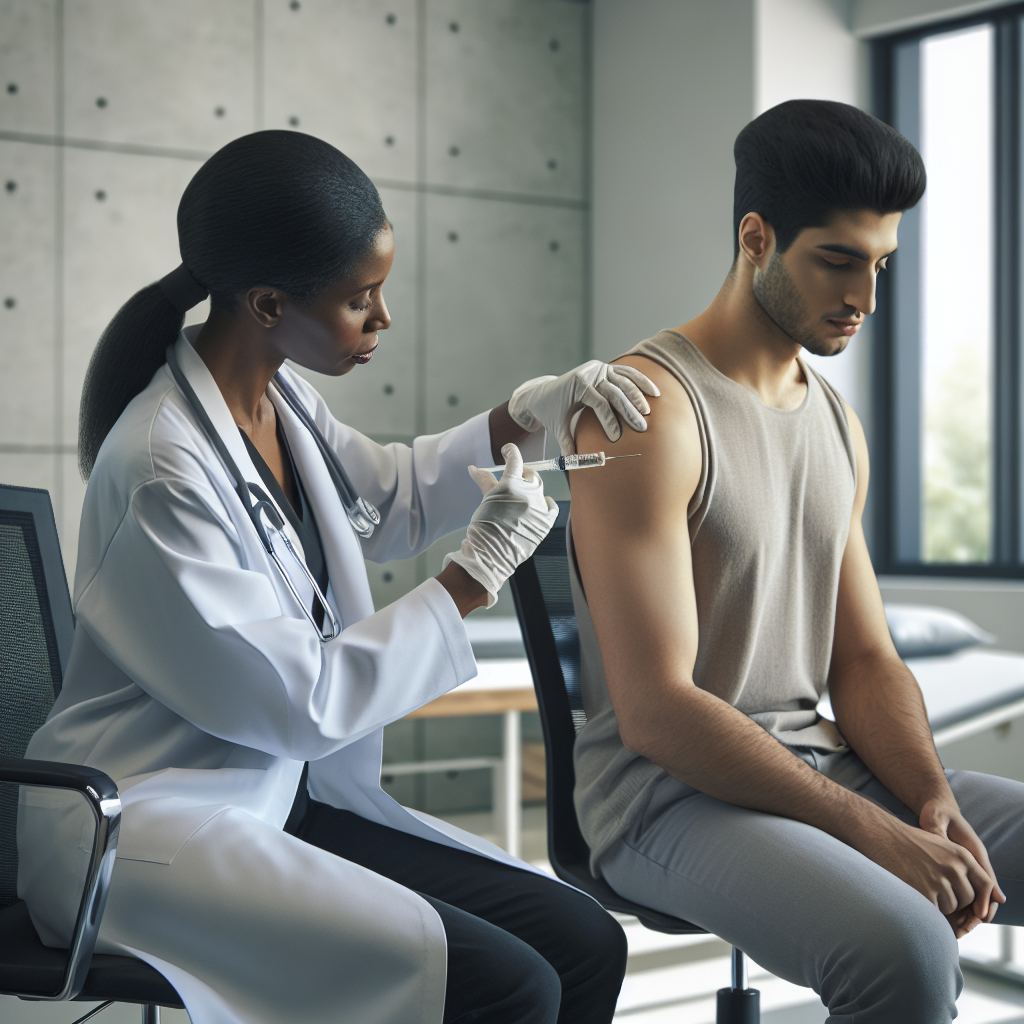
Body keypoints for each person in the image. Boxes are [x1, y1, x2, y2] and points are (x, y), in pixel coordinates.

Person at [17, 130, 660, 1024]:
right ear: (269, 303)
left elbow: (387, 498)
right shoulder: (164, 466)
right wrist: (473, 577)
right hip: (151, 825)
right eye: (362, 299)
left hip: (279, 793)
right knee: (510, 986)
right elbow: (298, 700)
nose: (383, 319)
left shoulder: (278, 399)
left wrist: (527, 413)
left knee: (584, 940)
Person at [566, 99, 1024, 1023]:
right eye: (838, 260)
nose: (864, 297)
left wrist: (926, 802)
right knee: (906, 945)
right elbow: (656, 711)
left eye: (881, 265)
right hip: (668, 799)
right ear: (756, 236)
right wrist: (876, 832)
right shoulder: (647, 413)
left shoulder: (835, 421)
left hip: (818, 762)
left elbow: (863, 660)